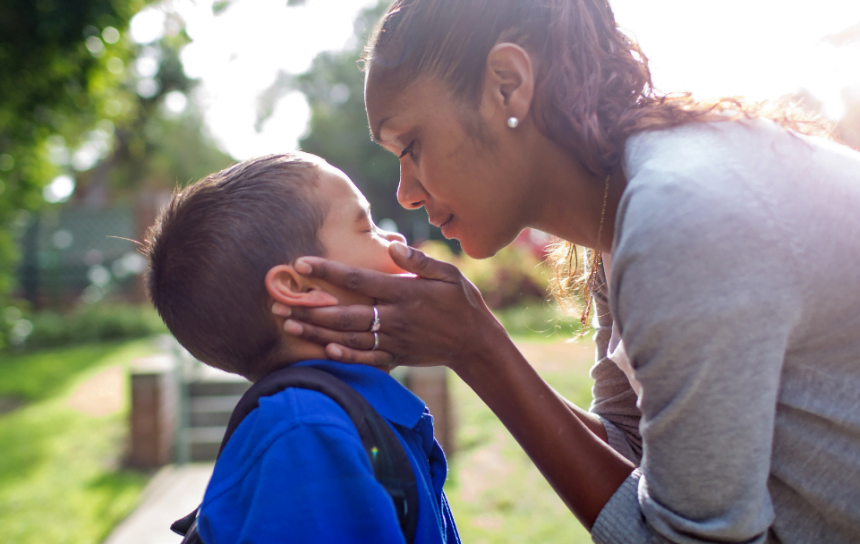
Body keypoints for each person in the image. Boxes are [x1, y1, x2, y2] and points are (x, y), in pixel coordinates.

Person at [271, 1, 860, 542]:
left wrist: (480, 350)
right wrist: (475, 346)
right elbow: (635, 454)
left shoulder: (680, 214)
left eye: (411, 145)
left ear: (508, 85)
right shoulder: (620, 210)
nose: (406, 193)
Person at [143, 153, 460, 544]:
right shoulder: (307, 435)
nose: (396, 239)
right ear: (299, 287)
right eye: (367, 227)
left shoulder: (337, 418)